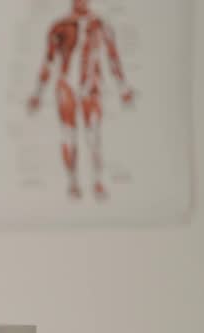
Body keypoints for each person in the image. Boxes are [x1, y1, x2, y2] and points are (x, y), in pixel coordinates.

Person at [27, 0, 135, 201]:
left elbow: (113, 57)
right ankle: (72, 182)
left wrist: (123, 88)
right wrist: (38, 94)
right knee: (69, 136)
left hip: (90, 87)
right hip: (66, 87)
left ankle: (97, 181)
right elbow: (48, 62)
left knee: (94, 136)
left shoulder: (101, 25)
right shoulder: (59, 26)